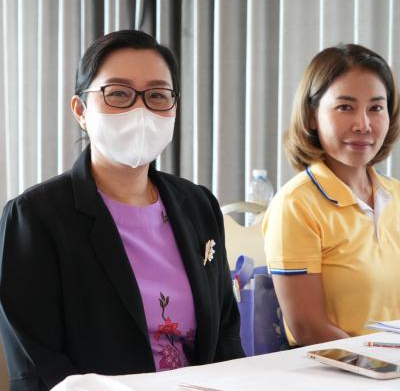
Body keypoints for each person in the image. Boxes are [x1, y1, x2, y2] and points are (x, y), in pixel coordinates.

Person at [0, 29, 244, 391]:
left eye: (157, 95)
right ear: (81, 110)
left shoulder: (198, 205)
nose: (140, 110)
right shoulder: (34, 217)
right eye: (118, 93)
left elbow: (225, 335)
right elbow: (37, 366)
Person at [263, 44, 400, 347]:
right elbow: (309, 329)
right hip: (341, 369)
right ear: (312, 116)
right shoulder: (295, 204)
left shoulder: (397, 195)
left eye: (376, 108)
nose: (363, 125)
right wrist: (381, 367)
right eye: (345, 107)